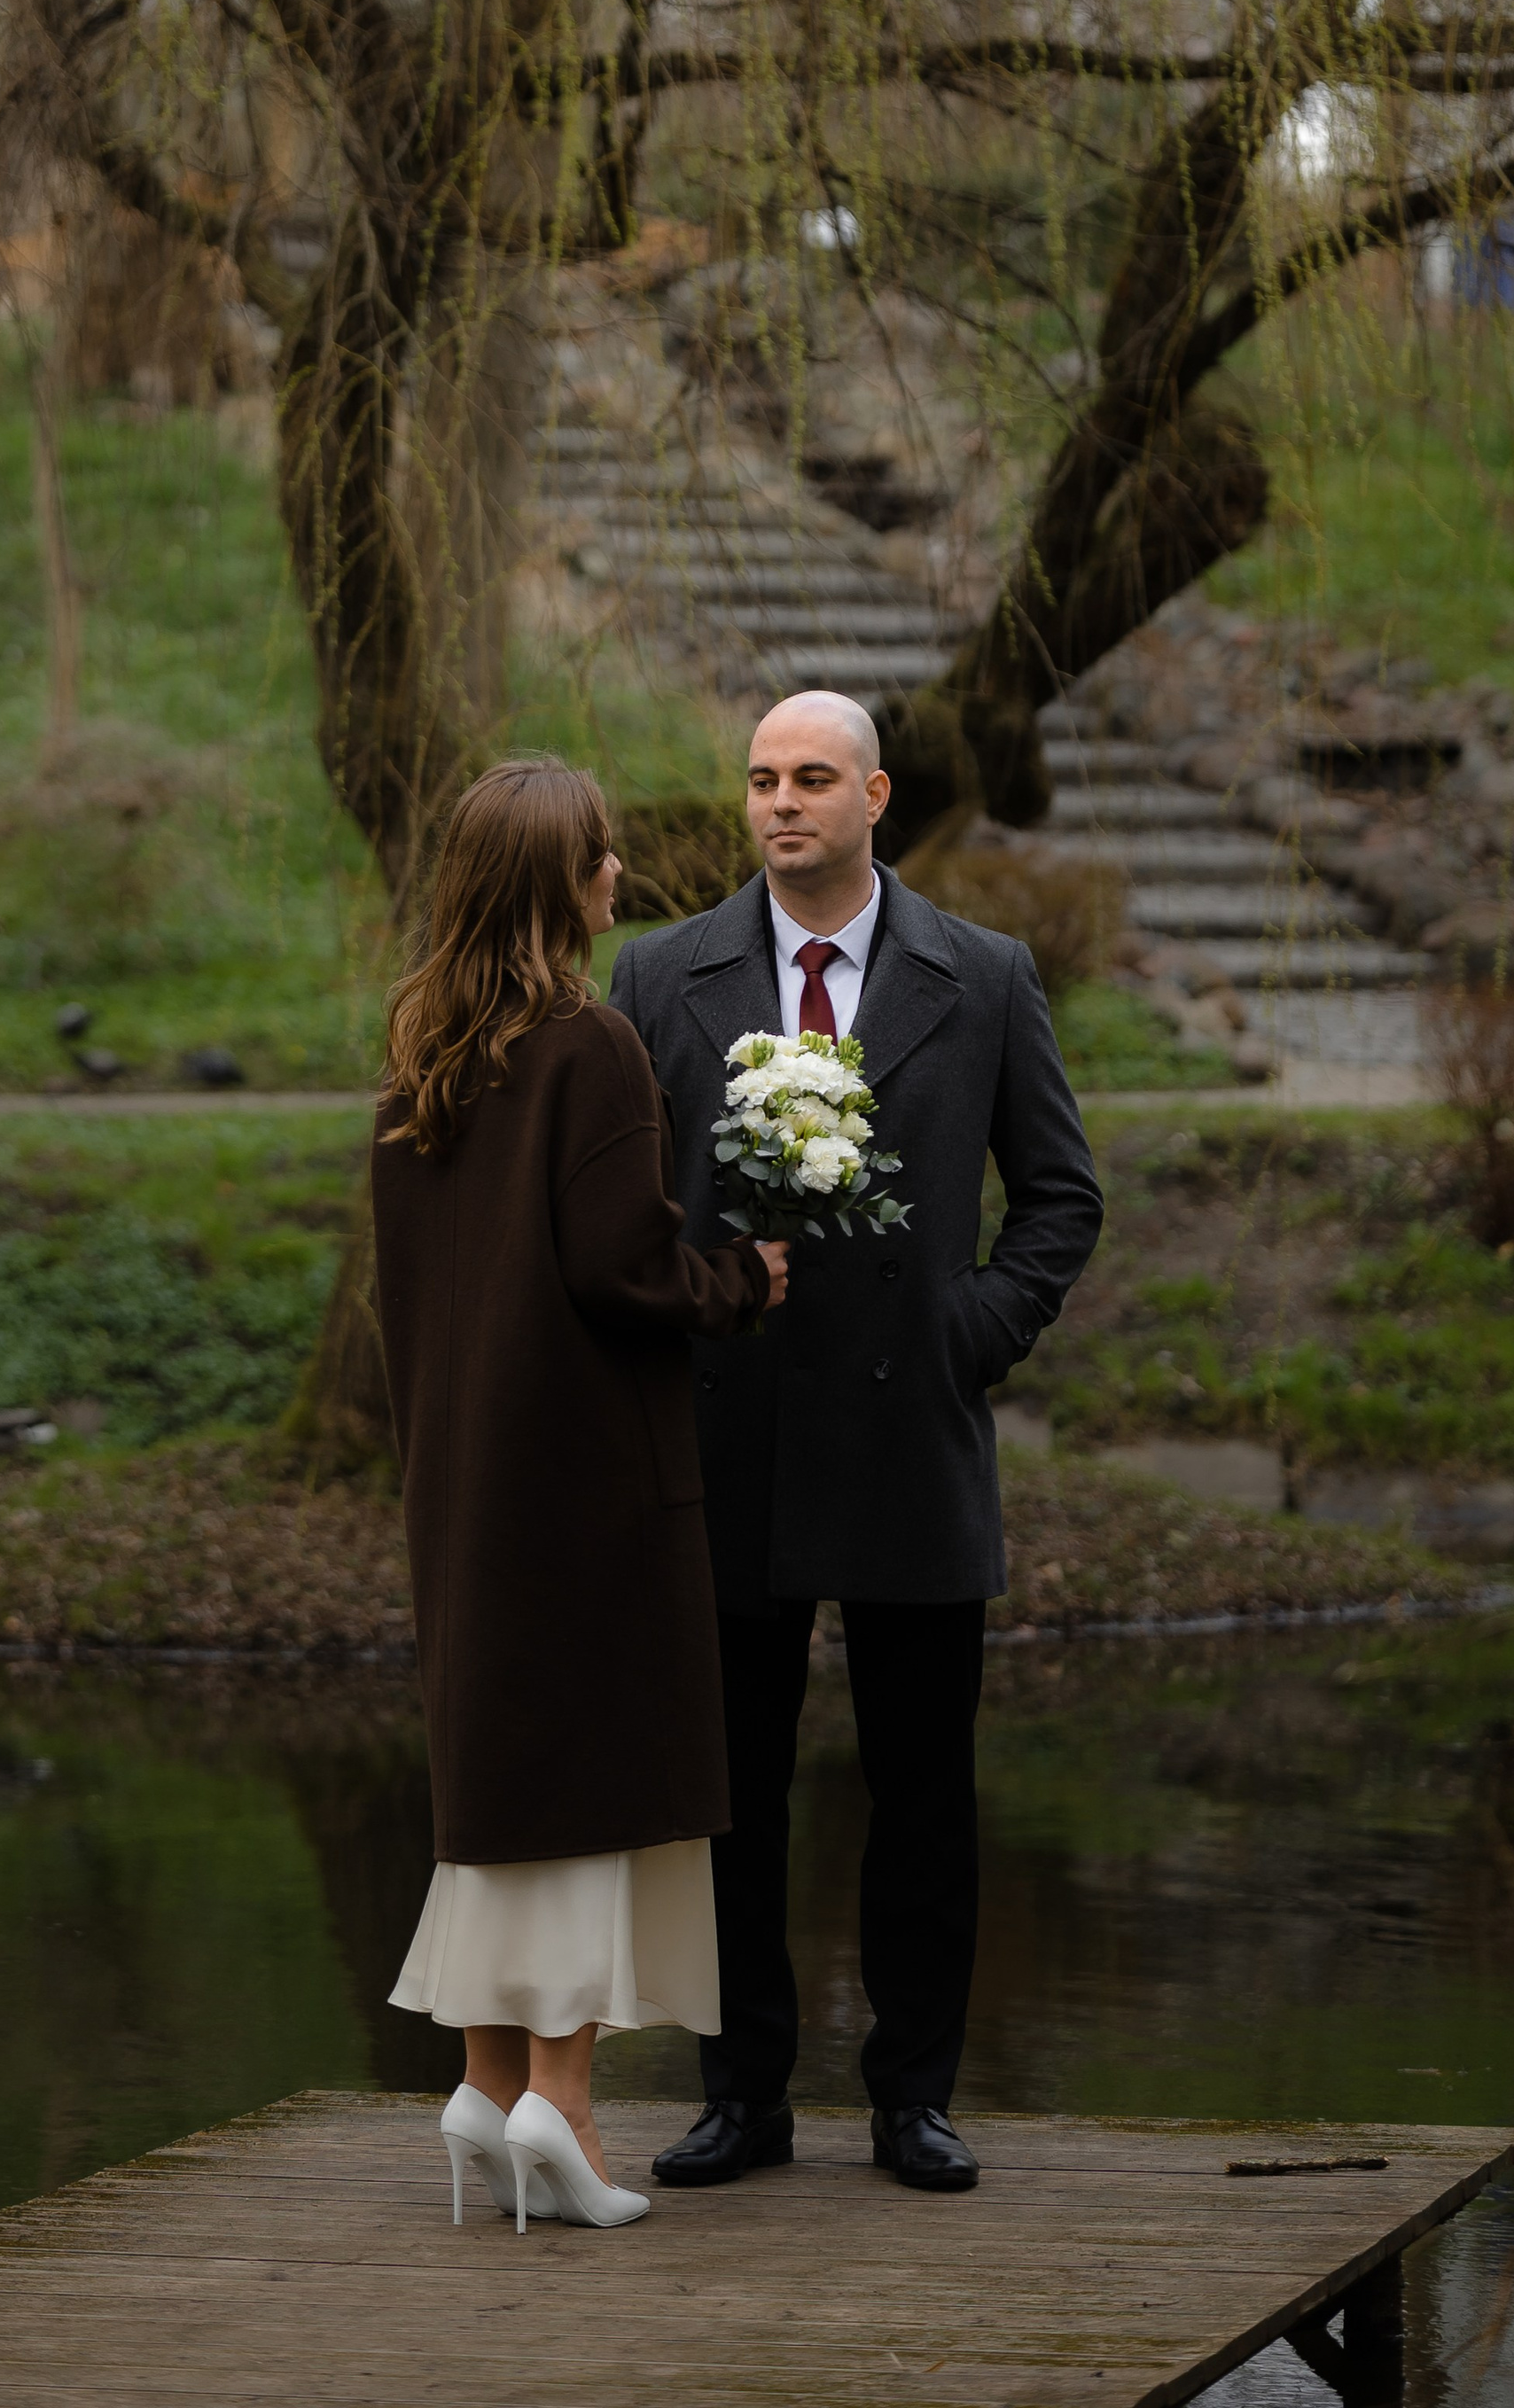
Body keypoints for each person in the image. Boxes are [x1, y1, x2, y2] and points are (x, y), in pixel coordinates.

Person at [611, 690, 1102, 2194]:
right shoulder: (660, 972)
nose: (780, 803)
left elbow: (1062, 1200)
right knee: (731, 1796)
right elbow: (621, 1213)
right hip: (732, 1432)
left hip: (910, 1434)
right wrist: (687, 1310)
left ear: (876, 793)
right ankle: (742, 2095)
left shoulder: (988, 974)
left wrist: (967, 1336)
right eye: (760, 779)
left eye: (811, 777)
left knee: (922, 1795)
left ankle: (913, 2099)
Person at [373, 757, 790, 2233]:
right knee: (598, 1792)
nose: (624, 875)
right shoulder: (589, 1045)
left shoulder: (423, 1051)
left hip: (464, 1477)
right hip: (592, 1481)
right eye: (605, 857)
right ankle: (565, 2102)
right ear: (568, 881)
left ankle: (485, 2096)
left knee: (507, 1789)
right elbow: (623, 1266)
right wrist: (744, 1276)